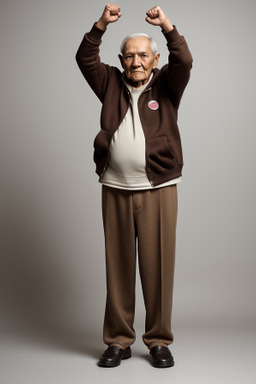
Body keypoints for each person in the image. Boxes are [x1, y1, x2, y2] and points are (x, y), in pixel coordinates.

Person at [76, 3, 193, 368]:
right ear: (121, 59)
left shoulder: (168, 83)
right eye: (129, 56)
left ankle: (158, 340)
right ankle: (119, 340)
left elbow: (185, 61)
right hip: (115, 186)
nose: (136, 62)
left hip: (159, 188)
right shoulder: (110, 81)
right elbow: (84, 58)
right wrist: (101, 24)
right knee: (119, 268)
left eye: (143, 55)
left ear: (155, 59)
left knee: (159, 268)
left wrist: (167, 26)